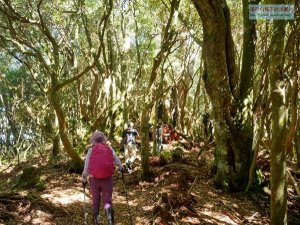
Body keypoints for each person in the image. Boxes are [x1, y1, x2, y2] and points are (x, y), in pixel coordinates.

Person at [82, 131, 123, 225]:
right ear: (104, 140)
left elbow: (86, 166)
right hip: (107, 179)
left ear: (93, 141)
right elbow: (117, 160)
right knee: (107, 201)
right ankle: (110, 222)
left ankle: (97, 222)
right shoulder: (109, 148)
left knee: (95, 202)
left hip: (94, 179)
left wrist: (84, 179)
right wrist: (121, 168)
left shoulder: (90, 150)